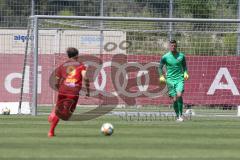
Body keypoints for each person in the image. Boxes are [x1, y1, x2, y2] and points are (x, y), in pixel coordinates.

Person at [48, 47, 90, 137]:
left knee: (59, 111)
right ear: (77, 55)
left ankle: (51, 131)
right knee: (68, 114)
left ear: (68, 55)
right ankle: (55, 114)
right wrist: (88, 90)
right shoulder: (81, 65)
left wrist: (59, 88)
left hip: (62, 91)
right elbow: (85, 77)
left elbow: (56, 81)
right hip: (73, 93)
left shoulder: (62, 66)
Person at [158, 40, 189, 122]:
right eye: (172, 46)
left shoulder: (181, 56)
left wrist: (185, 73)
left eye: (175, 46)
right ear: (169, 46)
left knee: (179, 95)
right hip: (170, 80)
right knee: (174, 99)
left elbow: (185, 66)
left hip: (179, 79)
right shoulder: (165, 57)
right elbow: (159, 67)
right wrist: (161, 76)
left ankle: (180, 115)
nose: (173, 47)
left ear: (176, 46)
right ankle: (177, 116)